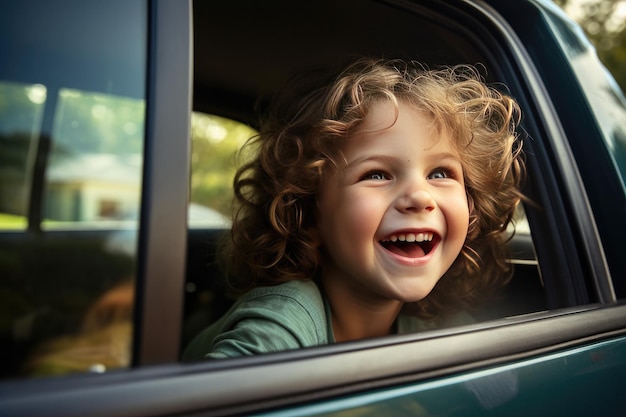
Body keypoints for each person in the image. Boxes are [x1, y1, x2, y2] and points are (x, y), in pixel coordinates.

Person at [183, 58, 525, 360]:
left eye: (440, 173)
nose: (421, 197)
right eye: (376, 174)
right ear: (307, 216)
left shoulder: (436, 324)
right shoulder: (283, 322)